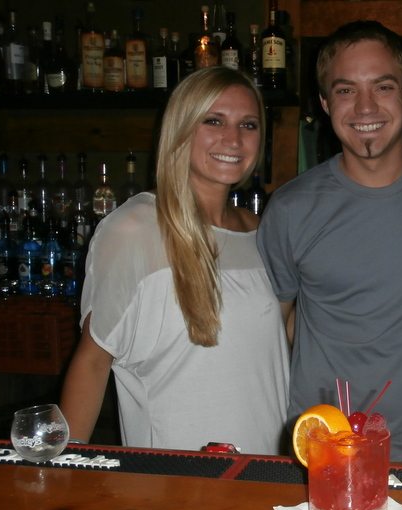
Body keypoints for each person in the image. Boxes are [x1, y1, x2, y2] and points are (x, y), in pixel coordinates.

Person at [257, 21, 402, 464]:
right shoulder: (289, 208)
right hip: (319, 453)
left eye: (382, 86)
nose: (365, 107)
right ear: (325, 103)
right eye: (345, 90)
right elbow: (273, 330)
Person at [60, 66, 289, 454]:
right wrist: (62, 469)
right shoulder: (133, 229)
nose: (233, 138)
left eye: (248, 125)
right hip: (174, 478)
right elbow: (93, 361)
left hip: (266, 475)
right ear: (181, 128)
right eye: (213, 120)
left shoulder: (262, 232)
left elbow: (277, 343)